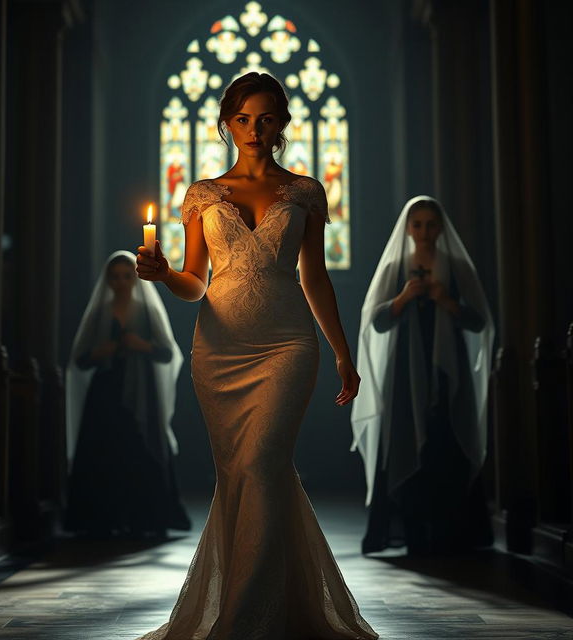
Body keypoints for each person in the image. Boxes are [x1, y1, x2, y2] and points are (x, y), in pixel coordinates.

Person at [135, 73, 378, 639]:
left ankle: (246, 621)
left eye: (266, 118)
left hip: (287, 345)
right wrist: (165, 273)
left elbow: (314, 279)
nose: (254, 130)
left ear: (282, 124)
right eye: (243, 119)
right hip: (219, 350)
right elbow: (196, 282)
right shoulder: (202, 194)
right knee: (241, 476)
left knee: (261, 465)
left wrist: (342, 351)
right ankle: (284, 606)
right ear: (226, 123)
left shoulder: (305, 192)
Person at [351, 197, 494, 555]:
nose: (425, 232)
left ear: (441, 227)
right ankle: (412, 530)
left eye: (431, 224)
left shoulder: (457, 266)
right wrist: (401, 300)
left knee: (447, 439)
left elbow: (480, 321)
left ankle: (450, 531)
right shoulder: (397, 267)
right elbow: (376, 322)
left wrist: (448, 302)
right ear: (408, 228)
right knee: (406, 437)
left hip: (449, 369)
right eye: (418, 225)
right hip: (405, 371)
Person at [65, 251, 190, 538]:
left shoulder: (147, 310)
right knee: (103, 449)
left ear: (135, 279)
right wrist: (101, 352)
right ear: (108, 280)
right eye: (115, 277)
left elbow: (168, 353)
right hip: (105, 390)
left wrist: (141, 345)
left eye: (126, 276)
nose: (121, 282)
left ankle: (144, 518)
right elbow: (80, 359)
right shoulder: (99, 312)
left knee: (140, 447)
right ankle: (103, 518)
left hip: (141, 392)